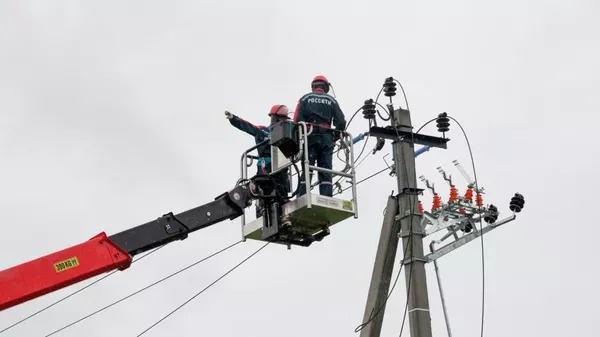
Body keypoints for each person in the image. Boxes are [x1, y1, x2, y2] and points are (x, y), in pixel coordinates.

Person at [225, 105, 291, 217]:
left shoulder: (286, 134)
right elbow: (248, 126)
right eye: (282, 119)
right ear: (275, 118)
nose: (283, 121)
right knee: (265, 189)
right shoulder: (263, 131)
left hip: (282, 168)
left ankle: (283, 216)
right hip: (266, 166)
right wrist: (234, 119)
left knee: (283, 190)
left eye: (284, 119)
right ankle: (263, 213)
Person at [293, 75, 346, 197]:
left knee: (307, 166)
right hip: (326, 138)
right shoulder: (332, 101)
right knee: (325, 168)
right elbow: (341, 121)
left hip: (309, 136)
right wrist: (336, 135)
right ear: (326, 87)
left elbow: (296, 119)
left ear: (313, 86)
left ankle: (302, 195)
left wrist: (303, 132)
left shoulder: (305, 98)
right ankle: (326, 196)